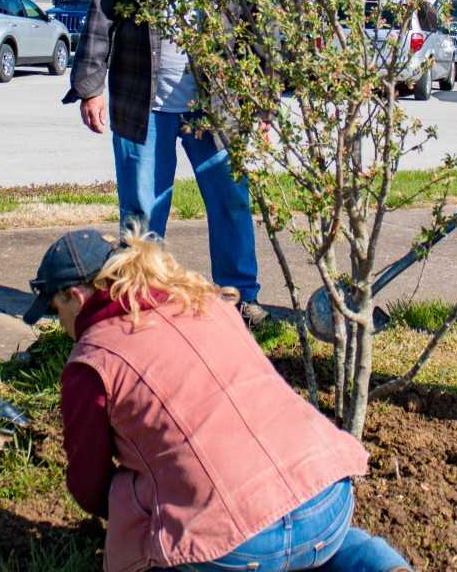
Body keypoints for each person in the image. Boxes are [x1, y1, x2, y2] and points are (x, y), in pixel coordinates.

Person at [24, 228, 411, 572]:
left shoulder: (92, 362)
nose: (63, 327)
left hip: (238, 548)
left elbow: (89, 485)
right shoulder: (204, 301)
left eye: (58, 313)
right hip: (329, 502)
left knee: (132, 492)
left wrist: (133, 508)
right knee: (312, 516)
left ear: (75, 296)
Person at [64, 0, 264, 326]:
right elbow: (100, 19)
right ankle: (140, 296)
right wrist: (90, 86)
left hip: (215, 104)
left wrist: (259, 102)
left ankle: (240, 297)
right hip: (142, 102)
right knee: (142, 210)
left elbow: (257, 24)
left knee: (230, 199)